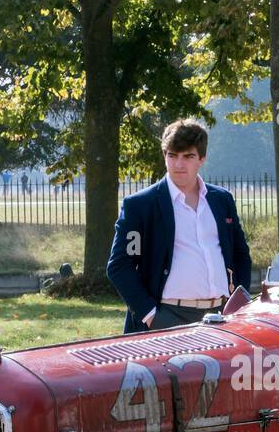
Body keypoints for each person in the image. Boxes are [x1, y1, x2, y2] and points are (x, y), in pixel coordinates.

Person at [106, 119, 253, 333]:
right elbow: (119, 266)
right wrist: (151, 316)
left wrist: (238, 304)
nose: (178, 164)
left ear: (201, 158)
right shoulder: (140, 206)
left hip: (222, 317)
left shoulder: (222, 200)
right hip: (167, 317)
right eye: (172, 155)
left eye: (188, 156)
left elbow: (241, 255)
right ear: (164, 156)